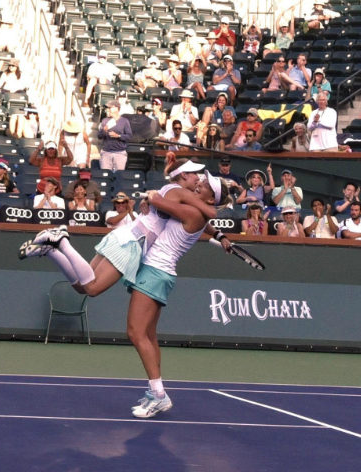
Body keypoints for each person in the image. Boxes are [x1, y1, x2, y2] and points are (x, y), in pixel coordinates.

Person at [19, 157, 220, 299]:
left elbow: (199, 220)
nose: (198, 179)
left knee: (82, 286)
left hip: (125, 235)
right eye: (195, 174)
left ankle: (50, 250)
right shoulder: (181, 192)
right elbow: (210, 213)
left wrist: (220, 235)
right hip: (132, 243)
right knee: (92, 289)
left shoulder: (167, 190)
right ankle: (61, 241)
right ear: (183, 175)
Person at [124, 170, 232, 418]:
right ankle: (156, 391)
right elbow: (204, 221)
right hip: (161, 273)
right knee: (148, 334)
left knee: (135, 332)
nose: (199, 185)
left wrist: (152, 194)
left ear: (210, 198)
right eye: (201, 182)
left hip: (155, 271)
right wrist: (220, 235)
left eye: (204, 186)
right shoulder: (200, 215)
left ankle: (159, 395)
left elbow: (160, 202)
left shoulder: (194, 212)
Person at [98, 100, 132, 171]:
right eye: (108, 108)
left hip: (120, 153)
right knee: (105, 175)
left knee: (118, 176)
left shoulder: (124, 121)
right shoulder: (105, 120)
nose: (108, 110)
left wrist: (118, 136)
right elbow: (99, 136)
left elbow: (129, 136)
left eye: (110, 108)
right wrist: (104, 130)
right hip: (106, 152)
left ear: (117, 108)